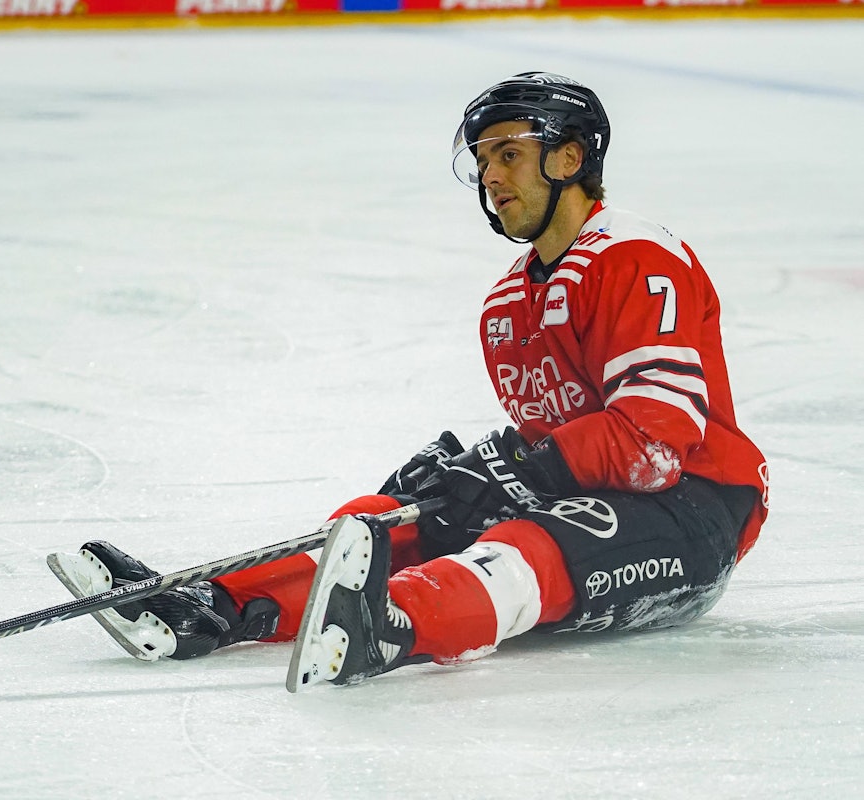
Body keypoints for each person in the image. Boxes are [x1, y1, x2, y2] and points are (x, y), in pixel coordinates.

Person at [51, 72, 769, 690]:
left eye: (510, 155)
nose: (490, 176)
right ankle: (212, 608)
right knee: (391, 515)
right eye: (484, 159)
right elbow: (557, 432)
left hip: (690, 512)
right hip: (596, 488)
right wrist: (482, 466)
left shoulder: (632, 256)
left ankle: (389, 627)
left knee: (520, 544)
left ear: (570, 159)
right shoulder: (506, 301)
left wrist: (521, 467)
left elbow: (655, 440)